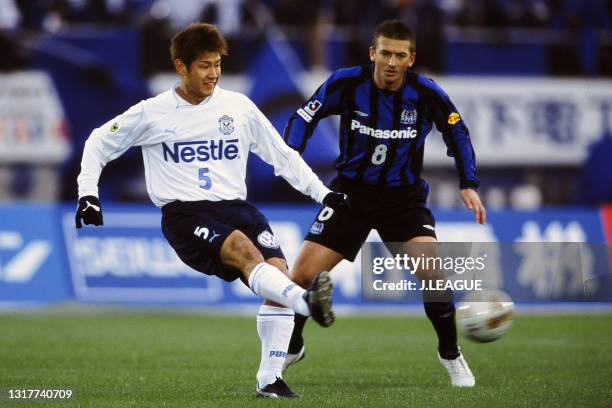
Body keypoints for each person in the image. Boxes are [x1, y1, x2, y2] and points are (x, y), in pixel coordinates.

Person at [74, 23, 350, 399]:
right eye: (204, 65)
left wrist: (323, 194)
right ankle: (306, 303)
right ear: (180, 67)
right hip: (185, 215)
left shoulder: (238, 106)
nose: (213, 74)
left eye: (217, 64)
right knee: (245, 252)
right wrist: (88, 193)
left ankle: (270, 380)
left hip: (239, 208)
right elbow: (98, 142)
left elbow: (282, 156)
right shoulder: (152, 112)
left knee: (278, 275)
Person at [282, 19, 486, 387]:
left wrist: (468, 182)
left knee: (433, 276)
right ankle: (293, 344)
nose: (392, 62)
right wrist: (291, 156)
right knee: (300, 276)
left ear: (411, 59)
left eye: (400, 55)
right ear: (373, 53)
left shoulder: (426, 93)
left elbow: (457, 132)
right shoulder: (346, 83)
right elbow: (303, 117)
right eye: (386, 53)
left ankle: (450, 354)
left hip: (402, 201)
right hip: (350, 195)